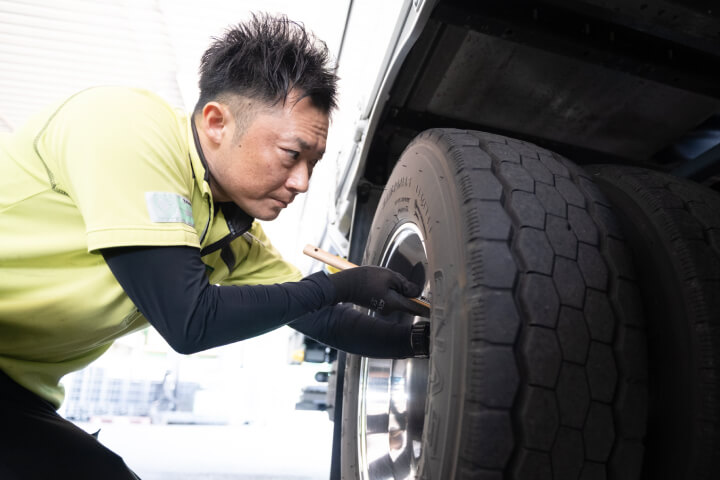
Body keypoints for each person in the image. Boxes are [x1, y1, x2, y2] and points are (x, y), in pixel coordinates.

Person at [0, 13, 429, 479]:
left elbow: (317, 316)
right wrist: (337, 286)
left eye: (313, 162)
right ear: (216, 123)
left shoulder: (231, 234)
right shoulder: (125, 127)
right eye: (292, 154)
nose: (302, 181)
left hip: (18, 391)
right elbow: (189, 321)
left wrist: (421, 339)